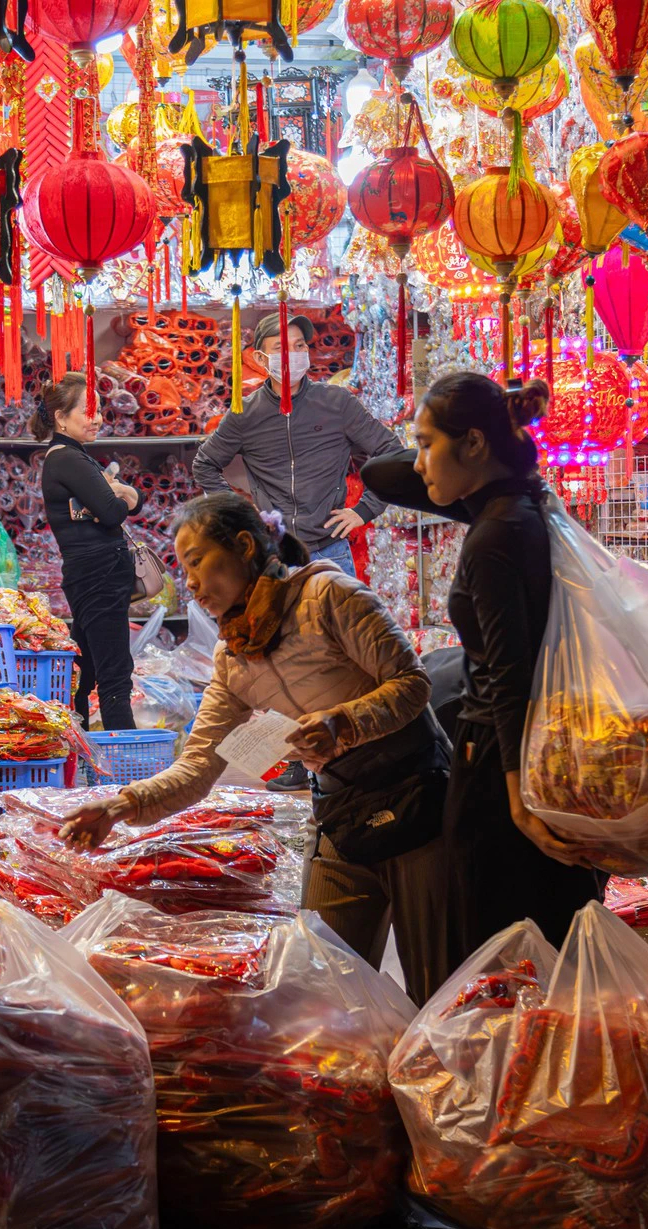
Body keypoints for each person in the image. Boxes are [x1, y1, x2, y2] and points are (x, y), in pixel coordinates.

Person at [58, 492, 451, 1002]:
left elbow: (412, 683)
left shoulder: (329, 595)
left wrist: (343, 722)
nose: (190, 582)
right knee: (324, 985)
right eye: (184, 568)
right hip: (341, 810)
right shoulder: (234, 658)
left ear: (244, 546)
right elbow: (198, 767)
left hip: (416, 798)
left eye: (197, 561)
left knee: (438, 986)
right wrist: (118, 806)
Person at [361, 373, 606, 977]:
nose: (418, 463)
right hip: (533, 751)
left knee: (502, 953)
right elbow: (378, 474)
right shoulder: (518, 504)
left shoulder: (495, 535)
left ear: (473, 444)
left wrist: (519, 800)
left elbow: (508, 674)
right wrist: (489, 427)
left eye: (426, 444)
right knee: (541, 946)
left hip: (500, 765)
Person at [192, 312, 398, 569]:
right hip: (275, 557)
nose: (292, 354)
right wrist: (239, 514)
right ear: (260, 358)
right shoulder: (245, 413)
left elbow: (391, 451)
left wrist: (364, 510)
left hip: (331, 553)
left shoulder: (336, 402)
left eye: (299, 345)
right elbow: (204, 464)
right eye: (280, 348)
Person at [32, 373, 141, 731]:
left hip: (92, 574)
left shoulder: (72, 456)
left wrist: (120, 495)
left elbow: (116, 504)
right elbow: (111, 512)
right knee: (115, 674)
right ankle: (126, 755)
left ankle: (76, 744)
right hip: (99, 575)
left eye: (98, 410)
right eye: (87, 410)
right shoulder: (68, 459)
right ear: (61, 417)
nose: (97, 418)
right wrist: (123, 495)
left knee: (85, 670)